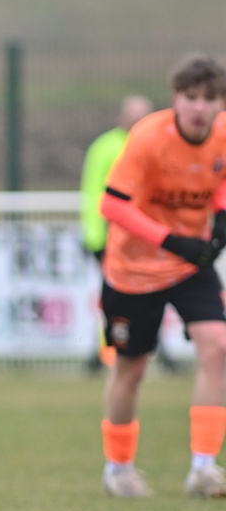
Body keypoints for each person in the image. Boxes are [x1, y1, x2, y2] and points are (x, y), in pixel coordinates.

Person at [97, 55, 226, 498]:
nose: (199, 107)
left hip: (189, 266)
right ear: (175, 98)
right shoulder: (149, 137)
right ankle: (118, 468)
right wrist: (169, 239)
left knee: (218, 346)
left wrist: (221, 214)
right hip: (133, 269)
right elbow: (111, 204)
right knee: (131, 367)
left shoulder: (223, 135)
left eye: (210, 98)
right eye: (191, 97)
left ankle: (204, 468)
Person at [80, 95, 154, 372]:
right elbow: (93, 193)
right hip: (111, 237)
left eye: (143, 115)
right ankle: (108, 353)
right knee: (116, 298)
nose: (138, 120)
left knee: (151, 294)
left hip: (148, 236)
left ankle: (151, 351)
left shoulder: (155, 144)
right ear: (121, 117)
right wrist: (95, 235)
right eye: (133, 114)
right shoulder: (106, 147)